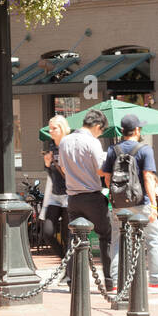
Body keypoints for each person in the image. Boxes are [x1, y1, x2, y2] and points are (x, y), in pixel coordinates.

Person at [105, 114, 158, 290]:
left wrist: (117, 195)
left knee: (117, 241)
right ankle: (155, 279)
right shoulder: (145, 150)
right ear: (137, 130)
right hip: (141, 203)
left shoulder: (113, 150)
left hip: (118, 205)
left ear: (122, 131)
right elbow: (148, 178)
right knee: (153, 239)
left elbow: (107, 179)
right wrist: (154, 205)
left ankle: (117, 282)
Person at [59, 109, 112, 292]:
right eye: (101, 130)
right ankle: (109, 279)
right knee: (106, 236)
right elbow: (100, 170)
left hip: (73, 197)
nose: (100, 133)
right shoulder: (93, 142)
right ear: (97, 126)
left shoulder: (65, 141)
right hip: (92, 196)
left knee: (74, 238)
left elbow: (64, 169)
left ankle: (72, 280)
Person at [42, 115, 71, 257]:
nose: (51, 131)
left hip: (68, 194)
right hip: (54, 195)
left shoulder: (69, 145)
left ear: (62, 128)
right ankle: (64, 261)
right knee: (47, 232)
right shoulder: (51, 147)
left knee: (67, 236)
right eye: (50, 129)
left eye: (54, 128)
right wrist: (47, 164)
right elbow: (51, 173)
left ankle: (69, 270)